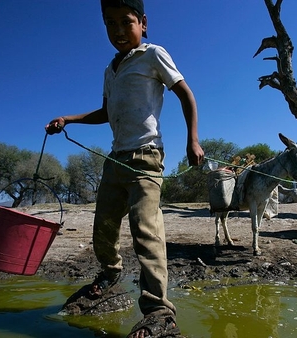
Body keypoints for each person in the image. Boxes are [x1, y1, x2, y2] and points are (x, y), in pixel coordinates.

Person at [45, 0, 204, 336]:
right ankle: (110, 274)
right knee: (103, 225)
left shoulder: (153, 55)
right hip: (115, 159)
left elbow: (186, 94)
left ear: (143, 23)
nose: (118, 30)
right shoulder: (110, 70)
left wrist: (193, 141)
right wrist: (68, 118)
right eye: (110, 23)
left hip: (146, 157)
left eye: (125, 22)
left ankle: (159, 311)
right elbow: (105, 112)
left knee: (145, 230)